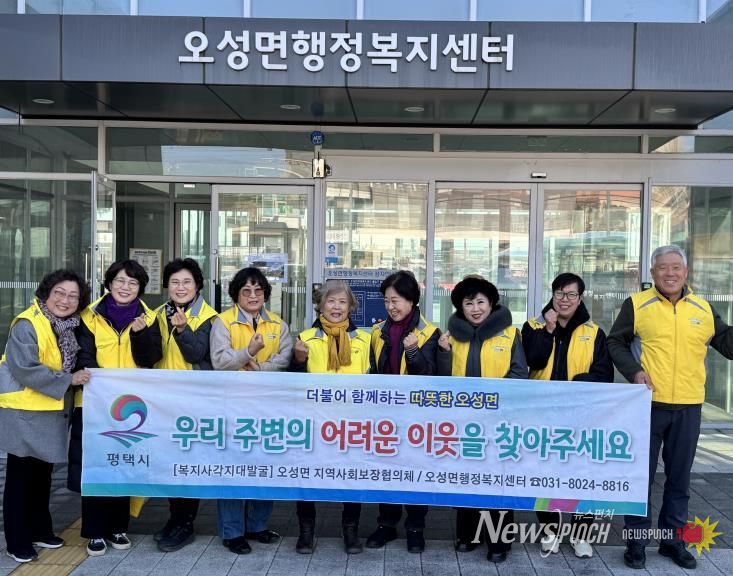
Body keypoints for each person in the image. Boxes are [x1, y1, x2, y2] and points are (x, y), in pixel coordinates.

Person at [608, 245, 733, 570]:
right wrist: (634, 371)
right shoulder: (638, 304)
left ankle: (672, 541)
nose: (670, 273)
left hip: (689, 406)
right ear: (653, 273)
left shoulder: (703, 308)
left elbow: (727, 344)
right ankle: (636, 542)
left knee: (679, 479)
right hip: (646, 405)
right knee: (641, 478)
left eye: (676, 267)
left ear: (686, 272)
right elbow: (615, 342)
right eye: (663, 267)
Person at [71, 259, 162, 557]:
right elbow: (82, 357)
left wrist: (139, 334)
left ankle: (118, 527)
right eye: (120, 281)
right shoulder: (88, 316)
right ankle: (95, 531)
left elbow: (151, 359)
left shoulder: (150, 317)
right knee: (96, 467)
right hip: (94, 404)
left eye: (133, 283)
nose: (125, 287)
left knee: (124, 464)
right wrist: (105, 388)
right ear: (109, 283)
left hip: (131, 409)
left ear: (140, 288)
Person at [0, 270, 91, 563]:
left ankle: (40, 530)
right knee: (20, 477)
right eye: (59, 293)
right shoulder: (27, 323)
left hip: (50, 410)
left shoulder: (67, 326)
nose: (65, 300)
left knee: (42, 475)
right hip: (24, 412)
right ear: (46, 294)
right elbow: (25, 367)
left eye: (73, 296)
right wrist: (69, 380)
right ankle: (17, 540)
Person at [521, 272, 614, 559]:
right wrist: (547, 331)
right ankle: (550, 532)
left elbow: (604, 375)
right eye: (560, 293)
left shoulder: (594, 333)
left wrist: (573, 387)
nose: (565, 300)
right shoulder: (533, 326)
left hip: (581, 417)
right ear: (552, 295)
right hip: (541, 416)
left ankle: (581, 534)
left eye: (571, 294)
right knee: (544, 476)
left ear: (580, 298)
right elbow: (533, 361)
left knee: (582, 476)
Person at [437, 275, 528, 564]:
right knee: (467, 479)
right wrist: (443, 353)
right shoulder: (450, 337)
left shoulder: (510, 334)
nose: (475, 309)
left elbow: (519, 373)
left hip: (499, 422)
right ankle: (467, 535)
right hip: (464, 423)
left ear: (491, 304)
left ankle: (499, 541)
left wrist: (495, 403)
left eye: (480, 302)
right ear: (460, 307)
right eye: (468, 303)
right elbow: (442, 380)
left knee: (498, 481)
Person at [210, 266, 293, 554]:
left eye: (258, 290)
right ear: (236, 295)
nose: (253, 296)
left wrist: (259, 368)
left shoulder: (278, 324)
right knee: (233, 469)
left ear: (266, 294)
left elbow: (285, 358)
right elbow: (220, 361)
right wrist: (248, 352)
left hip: (268, 408)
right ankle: (232, 532)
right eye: (246, 291)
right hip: (233, 407)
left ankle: (257, 525)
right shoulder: (223, 322)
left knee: (265, 466)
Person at [290, 281, 371, 555]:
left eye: (342, 302)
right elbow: (293, 384)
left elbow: (373, 381)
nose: (336, 307)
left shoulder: (364, 340)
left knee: (352, 477)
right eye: (331, 301)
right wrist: (298, 361)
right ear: (320, 305)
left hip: (352, 423)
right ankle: (306, 531)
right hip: (314, 422)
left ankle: (350, 531)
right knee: (307, 478)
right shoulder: (305, 338)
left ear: (351, 307)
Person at [365, 270, 440, 553]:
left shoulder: (429, 333)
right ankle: (386, 524)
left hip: (416, 418)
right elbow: (374, 370)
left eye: (395, 300)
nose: (390, 306)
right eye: (386, 301)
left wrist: (413, 352)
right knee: (386, 471)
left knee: (415, 472)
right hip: (385, 415)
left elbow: (431, 375)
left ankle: (415, 528)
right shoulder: (377, 332)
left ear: (411, 300)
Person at [152, 258, 218, 552]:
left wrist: (182, 330)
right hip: (164, 401)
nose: (180, 287)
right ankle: (174, 518)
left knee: (189, 462)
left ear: (198, 286)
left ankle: (185, 523)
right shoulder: (157, 314)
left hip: (193, 403)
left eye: (187, 282)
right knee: (170, 462)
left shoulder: (209, 318)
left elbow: (196, 354)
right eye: (175, 282)